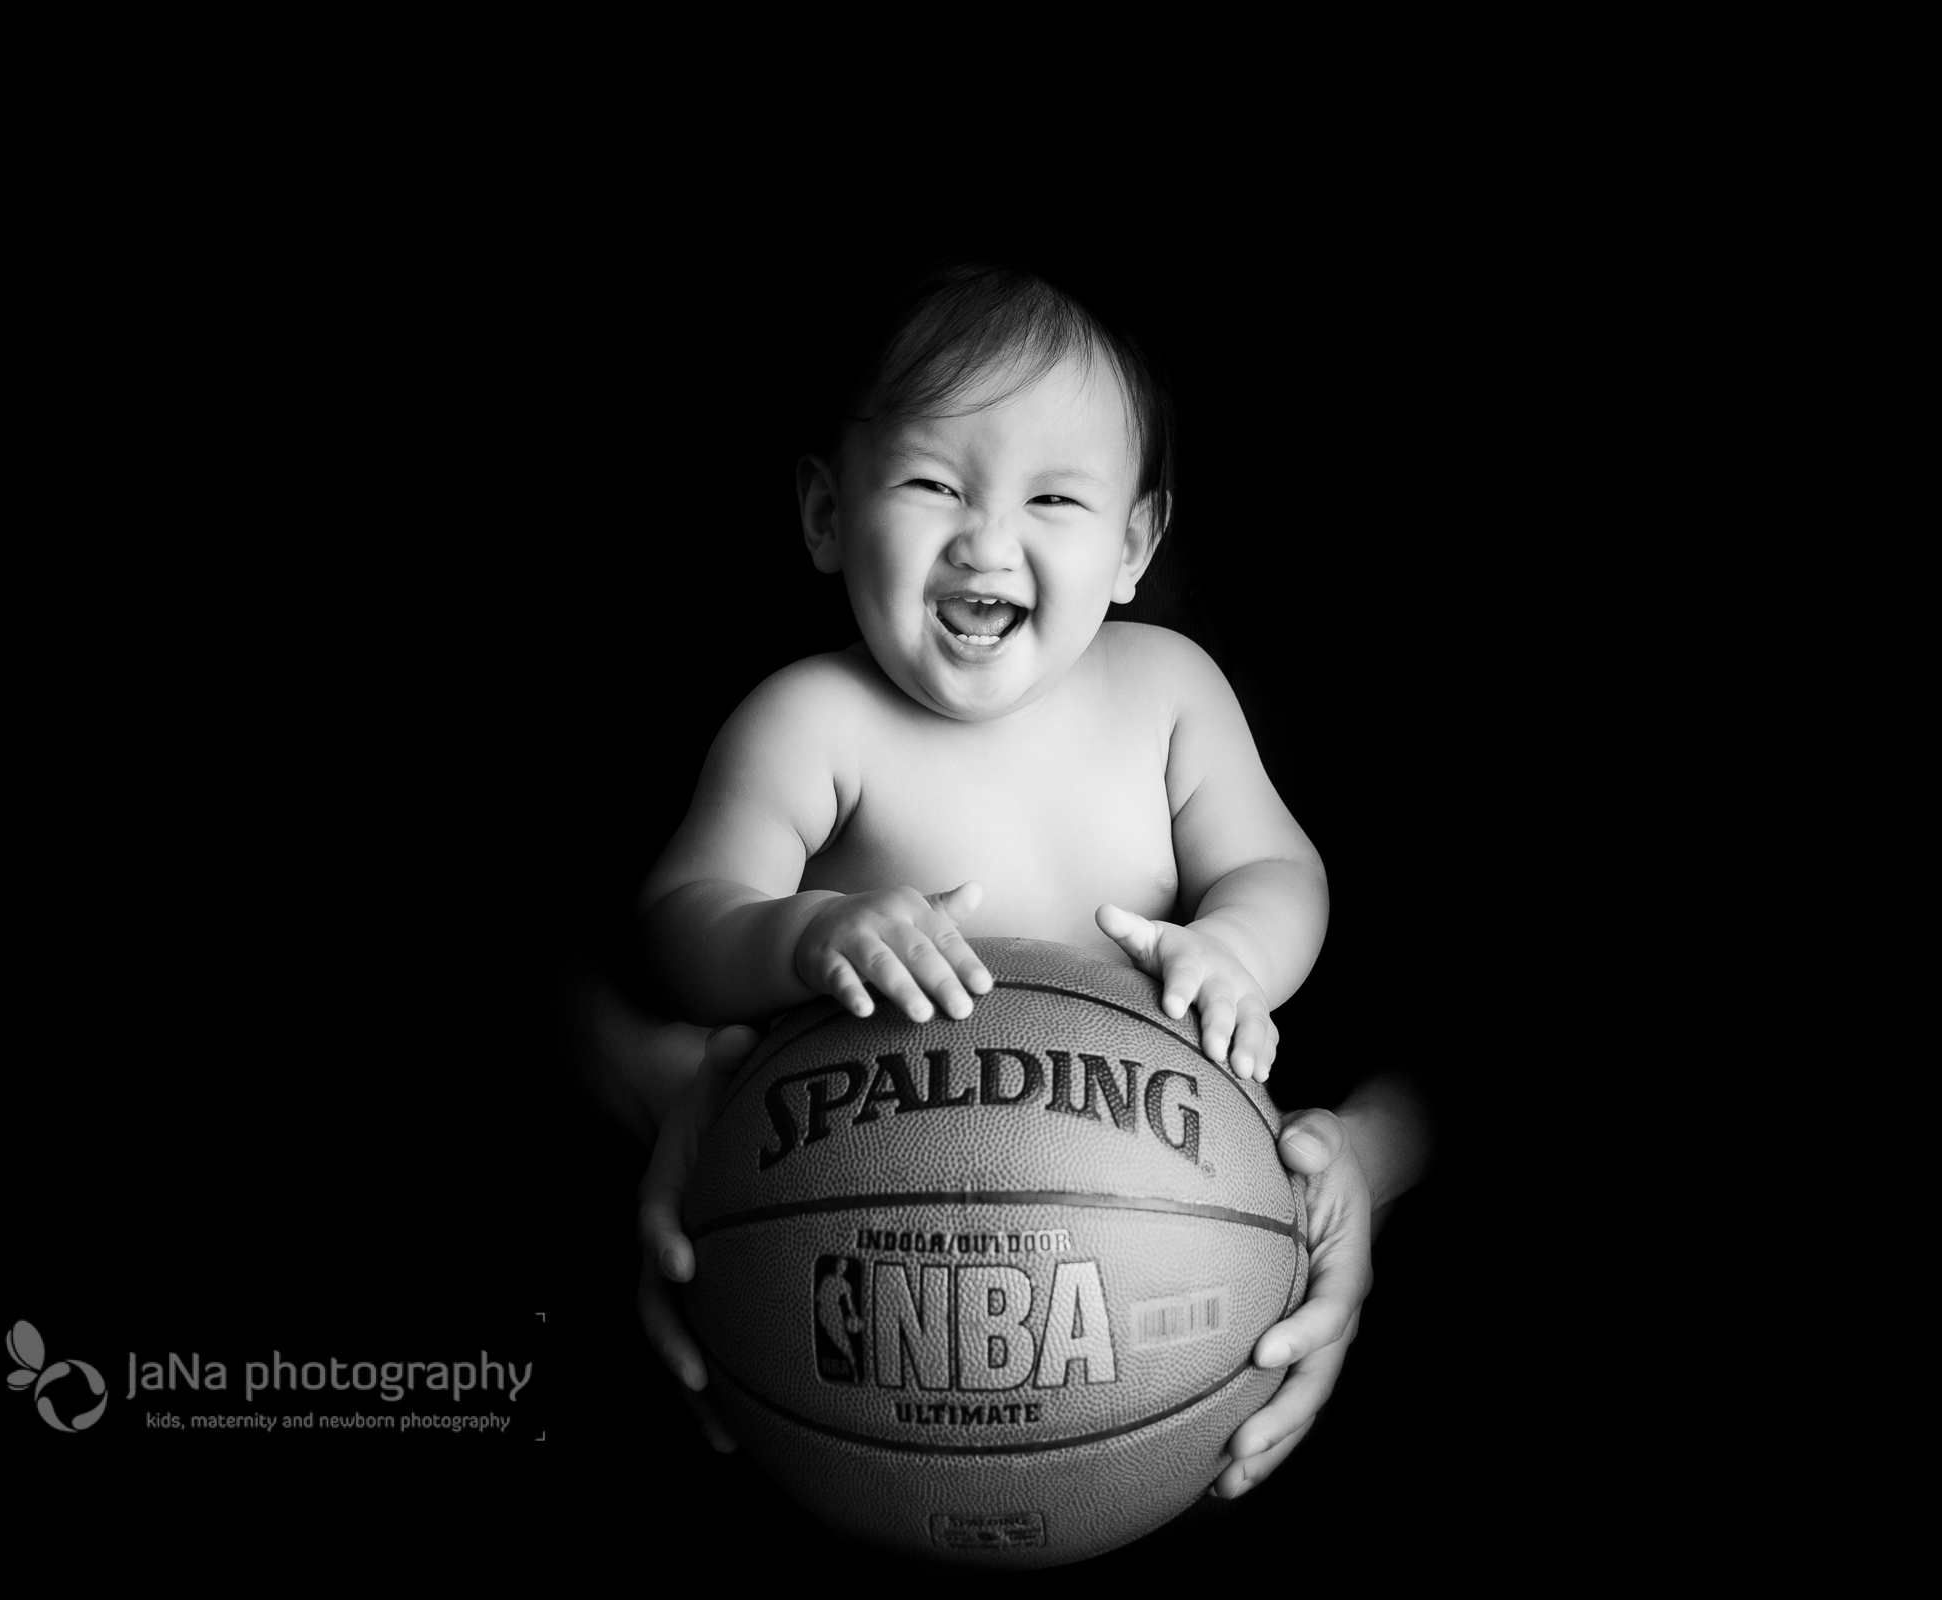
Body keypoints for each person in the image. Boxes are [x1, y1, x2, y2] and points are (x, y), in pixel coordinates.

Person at [606, 260, 1427, 1503]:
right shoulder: (811, 721)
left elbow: (1274, 866)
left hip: (1152, 1244)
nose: (985, 538)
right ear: (828, 516)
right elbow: (676, 925)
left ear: (1133, 545)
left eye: (1053, 497)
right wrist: (802, 932)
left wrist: (1239, 954)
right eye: (934, 482)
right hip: (873, 1253)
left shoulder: (1169, 695)